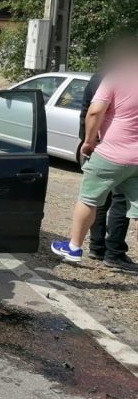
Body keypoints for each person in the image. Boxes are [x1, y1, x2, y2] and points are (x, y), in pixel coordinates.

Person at [52, 36, 138, 269]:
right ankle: (112, 253)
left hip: (111, 153)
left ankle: (74, 247)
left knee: (89, 199)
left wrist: (89, 142)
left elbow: (94, 112)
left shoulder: (114, 77)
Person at [80, 61, 133, 271]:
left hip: (97, 146)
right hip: (121, 151)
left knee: (95, 199)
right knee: (121, 201)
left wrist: (87, 141)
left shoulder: (99, 76)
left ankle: (96, 247)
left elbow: (86, 111)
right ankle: (114, 253)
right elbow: (93, 111)